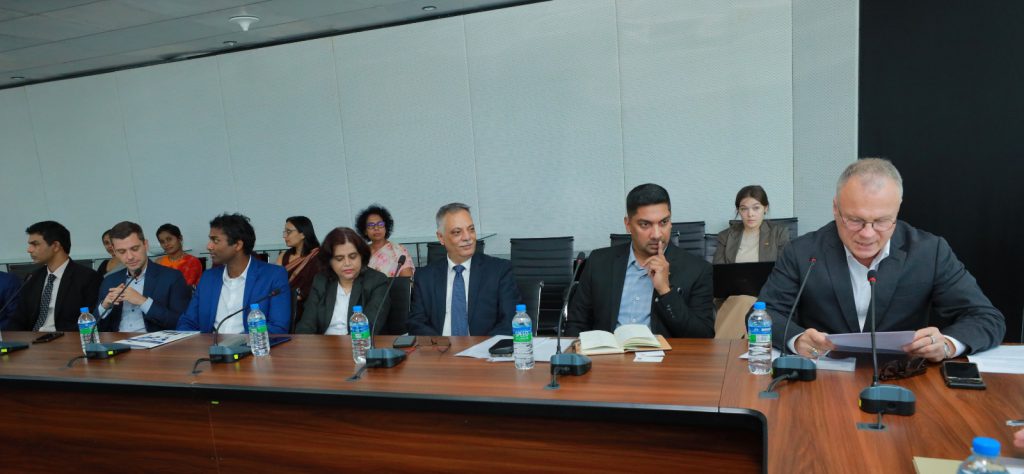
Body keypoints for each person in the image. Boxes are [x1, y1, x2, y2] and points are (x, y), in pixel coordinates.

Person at [759, 158, 1005, 361]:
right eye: (855, 220)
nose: (867, 234)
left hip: (903, 378)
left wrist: (947, 345)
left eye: (881, 221)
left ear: (897, 209)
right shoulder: (802, 252)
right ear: (836, 208)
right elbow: (765, 313)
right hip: (823, 377)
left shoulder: (930, 252)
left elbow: (986, 318)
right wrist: (796, 339)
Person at [568, 184, 715, 338]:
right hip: (608, 352)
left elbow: (703, 336)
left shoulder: (697, 269)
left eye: (663, 222)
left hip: (665, 353)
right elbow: (576, 324)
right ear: (628, 225)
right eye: (645, 224)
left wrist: (665, 291)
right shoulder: (599, 262)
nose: (656, 234)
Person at [407, 203, 520, 336]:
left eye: (471, 229)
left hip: (484, 346)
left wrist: (480, 346)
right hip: (439, 346)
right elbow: (416, 322)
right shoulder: (425, 276)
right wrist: (440, 344)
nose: (467, 237)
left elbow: (510, 320)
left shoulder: (499, 271)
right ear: (441, 237)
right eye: (457, 232)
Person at [176, 213, 290, 334]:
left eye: (215, 240)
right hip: (209, 344)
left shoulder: (273, 276)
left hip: (250, 345)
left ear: (238, 245)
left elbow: (278, 327)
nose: (209, 246)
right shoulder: (208, 278)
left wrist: (235, 342)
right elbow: (187, 321)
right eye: (210, 240)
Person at [95, 222, 191, 333]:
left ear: (145, 245)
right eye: (122, 251)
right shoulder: (109, 281)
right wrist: (104, 307)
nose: (129, 257)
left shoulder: (172, 278)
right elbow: (93, 329)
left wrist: (143, 302)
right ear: (115, 251)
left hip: (156, 342)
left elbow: (182, 323)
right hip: (117, 342)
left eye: (135, 248)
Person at [295, 227, 390, 335]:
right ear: (329, 261)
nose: (347, 263)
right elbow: (306, 326)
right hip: (324, 344)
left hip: (358, 342)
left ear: (361, 256)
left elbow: (369, 327)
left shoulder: (377, 281)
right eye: (339, 258)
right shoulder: (321, 280)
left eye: (353, 257)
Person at [10, 221, 101, 332]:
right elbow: (18, 318)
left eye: (35, 244)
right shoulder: (32, 277)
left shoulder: (87, 278)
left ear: (56, 246)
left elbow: (91, 319)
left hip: (66, 338)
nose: (29, 250)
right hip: (33, 338)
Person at [713, 185, 790, 264]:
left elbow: (784, 267)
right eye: (744, 209)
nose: (750, 214)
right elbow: (719, 269)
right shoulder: (725, 236)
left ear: (765, 208)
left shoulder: (779, 234)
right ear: (738, 210)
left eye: (756, 208)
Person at [275, 216, 321, 323]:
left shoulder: (318, 256)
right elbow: (275, 284)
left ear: (303, 234)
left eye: (289, 232)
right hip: (284, 305)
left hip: (310, 308)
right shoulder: (283, 256)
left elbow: (319, 286)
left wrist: (298, 296)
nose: (285, 236)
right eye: (284, 232)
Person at [356, 204, 414, 277]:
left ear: (385, 227)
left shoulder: (398, 250)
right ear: (365, 231)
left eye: (380, 224)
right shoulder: (361, 253)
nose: (376, 228)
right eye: (371, 225)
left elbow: (406, 281)